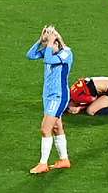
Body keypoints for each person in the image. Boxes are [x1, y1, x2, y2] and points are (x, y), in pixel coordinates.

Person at [26, 25, 73, 174]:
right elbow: (30, 55)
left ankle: (43, 163)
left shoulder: (66, 53)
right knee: (57, 127)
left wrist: (52, 40)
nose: (46, 47)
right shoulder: (50, 52)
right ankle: (64, 159)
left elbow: (48, 59)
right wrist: (41, 41)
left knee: (45, 129)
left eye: (49, 44)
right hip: (48, 96)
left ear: (57, 43)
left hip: (58, 97)